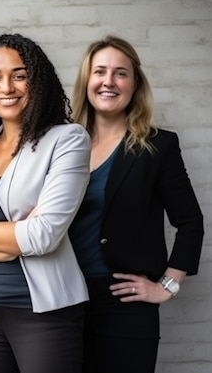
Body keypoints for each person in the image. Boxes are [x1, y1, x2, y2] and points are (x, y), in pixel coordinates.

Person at [0, 33, 91, 373]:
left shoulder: (66, 140)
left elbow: (42, 236)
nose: (6, 86)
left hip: (43, 314)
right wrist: (11, 242)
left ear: (37, 82)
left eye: (19, 75)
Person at [68, 35, 204, 373]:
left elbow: (190, 222)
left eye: (120, 73)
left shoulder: (158, 146)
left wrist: (166, 286)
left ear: (134, 84)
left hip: (125, 306)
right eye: (99, 71)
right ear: (87, 81)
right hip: (63, 299)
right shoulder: (63, 143)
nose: (108, 82)